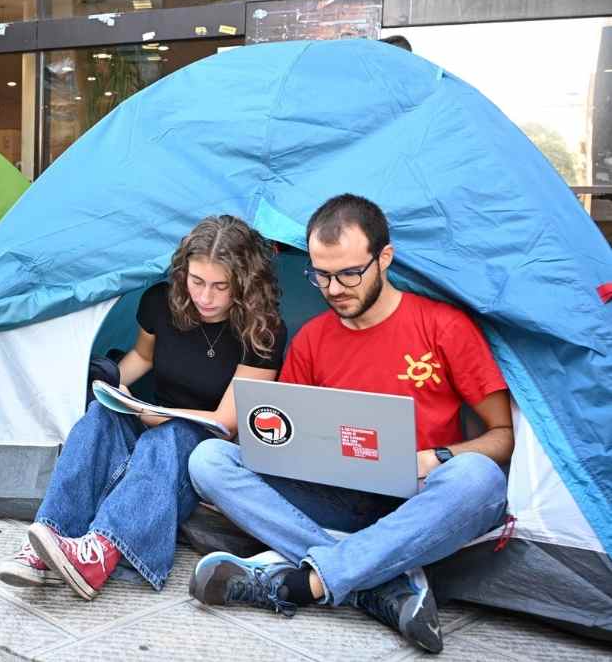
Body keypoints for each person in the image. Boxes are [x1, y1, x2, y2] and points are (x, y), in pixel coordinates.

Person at [188, 194, 513, 653]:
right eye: (320, 275)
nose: (334, 288)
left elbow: (502, 437)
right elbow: (287, 438)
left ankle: (307, 582)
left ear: (384, 259)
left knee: (480, 479)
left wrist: (434, 457)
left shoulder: (444, 327)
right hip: (333, 496)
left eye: (349, 274)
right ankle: (375, 584)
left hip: (417, 499)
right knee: (209, 459)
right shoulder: (312, 339)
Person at [0, 215, 287, 601]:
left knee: (168, 437)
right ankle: (47, 538)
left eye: (221, 286)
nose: (205, 297)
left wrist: (158, 415)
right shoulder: (161, 303)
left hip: (200, 448)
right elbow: (141, 358)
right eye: (197, 282)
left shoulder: (263, 331)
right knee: (100, 416)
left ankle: (102, 551)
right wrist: (108, 387)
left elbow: (226, 423)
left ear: (246, 285)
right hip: (155, 418)